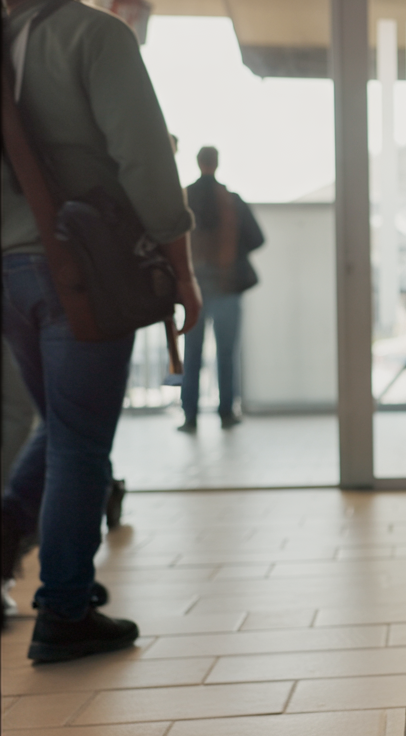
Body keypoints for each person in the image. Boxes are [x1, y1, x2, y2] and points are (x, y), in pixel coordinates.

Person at [0, 0, 201, 656]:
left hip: (7, 274)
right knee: (80, 443)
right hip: (76, 268)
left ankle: (9, 542)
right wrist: (181, 265)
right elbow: (143, 156)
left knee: (61, 426)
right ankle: (63, 607)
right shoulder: (91, 36)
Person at [179, 146, 264, 432]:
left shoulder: (185, 198)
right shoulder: (232, 200)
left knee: (192, 354)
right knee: (226, 353)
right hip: (227, 286)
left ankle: (189, 416)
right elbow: (257, 238)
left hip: (194, 287)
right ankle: (226, 412)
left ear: (198, 162)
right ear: (217, 163)